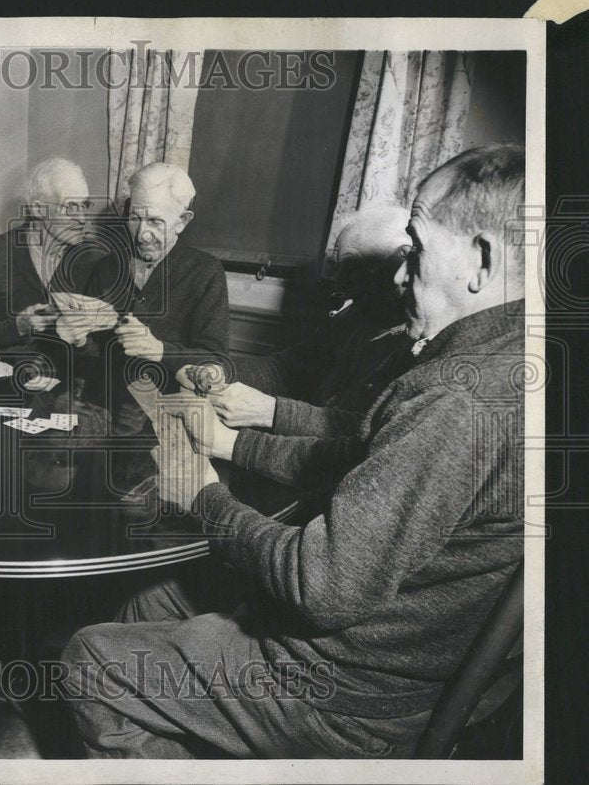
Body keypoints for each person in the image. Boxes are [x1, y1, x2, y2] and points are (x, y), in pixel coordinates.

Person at [62, 143, 526, 759]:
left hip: (343, 687)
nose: (396, 274)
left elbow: (320, 585)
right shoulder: (514, 362)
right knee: (154, 594)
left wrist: (204, 496)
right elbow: (361, 451)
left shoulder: (455, 398)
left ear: (481, 261)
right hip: (398, 652)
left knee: (89, 659)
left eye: (414, 245)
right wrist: (234, 442)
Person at [177, 205, 415, 438]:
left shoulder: (418, 341)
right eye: (341, 268)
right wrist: (221, 371)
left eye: (354, 268)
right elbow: (289, 368)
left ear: (403, 259)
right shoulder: (359, 315)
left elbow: (368, 430)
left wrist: (272, 412)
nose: (341, 284)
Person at [0, 157, 103, 359]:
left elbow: (101, 354)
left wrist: (81, 341)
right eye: (71, 207)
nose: (82, 219)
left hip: (64, 384)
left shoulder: (90, 260)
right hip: (7, 381)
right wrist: (17, 327)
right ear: (38, 209)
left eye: (84, 205)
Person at [81, 162, 229, 378]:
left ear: (182, 222)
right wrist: (79, 341)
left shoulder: (205, 272)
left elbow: (215, 361)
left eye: (155, 221)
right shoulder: (107, 267)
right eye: (135, 218)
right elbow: (93, 353)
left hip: (165, 404)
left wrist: (159, 350)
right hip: (103, 399)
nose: (142, 234)